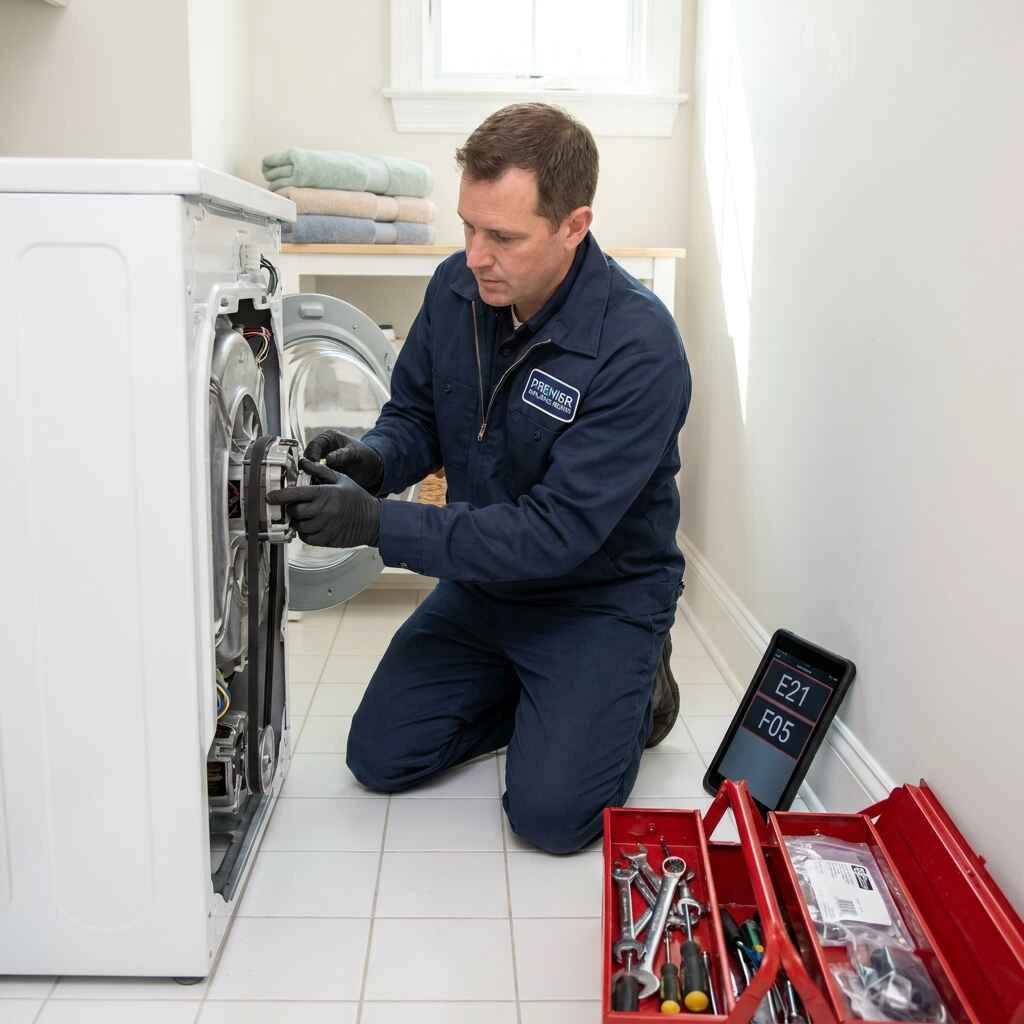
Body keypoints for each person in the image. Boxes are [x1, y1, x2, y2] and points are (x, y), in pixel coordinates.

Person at [268, 103, 692, 854]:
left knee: (552, 818)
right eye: (468, 226)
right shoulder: (456, 291)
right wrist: (374, 459)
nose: (476, 254)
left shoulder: (638, 345)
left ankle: (637, 691)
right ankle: (549, 702)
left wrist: (376, 525)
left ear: (574, 225)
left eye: (503, 236)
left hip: (596, 596)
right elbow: (419, 417)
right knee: (380, 756)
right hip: (485, 588)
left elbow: (554, 533)